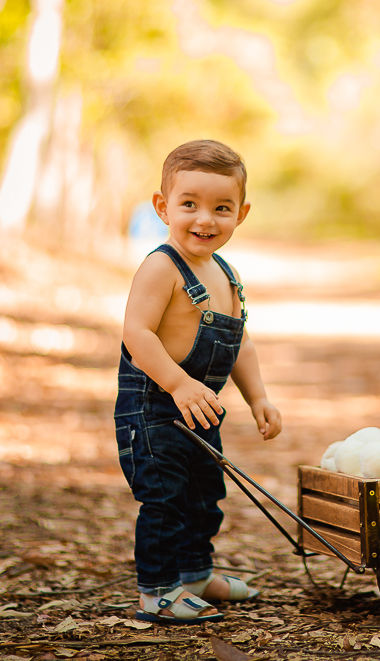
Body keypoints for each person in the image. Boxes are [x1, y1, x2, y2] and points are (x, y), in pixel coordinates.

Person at [114, 139, 282, 625]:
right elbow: (136, 333)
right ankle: (158, 591)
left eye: (221, 208)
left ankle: (194, 574)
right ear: (163, 206)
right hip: (153, 409)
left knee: (204, 497)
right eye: (189, 205)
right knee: (165, 499)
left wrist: (259, 398)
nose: (204, 219)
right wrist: (178, 383)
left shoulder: (226, 274)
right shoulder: (160, 267)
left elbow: (241, 342)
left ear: (241, 214)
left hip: (200, 411)